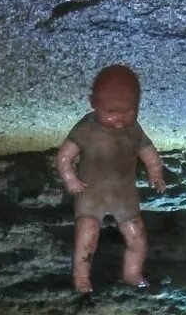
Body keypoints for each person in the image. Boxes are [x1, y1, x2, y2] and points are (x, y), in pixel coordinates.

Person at [56, 65, 167, 293]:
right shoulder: (86, 129)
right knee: (87, 237)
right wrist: (70, 179)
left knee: (137, 239)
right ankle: (81, 278)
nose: (119, 119)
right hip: (91, 194)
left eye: (128, 111)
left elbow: (148, 152)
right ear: (93, 102)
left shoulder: (134, 130)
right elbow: (65, 157)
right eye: (110, 111)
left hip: (124, 195)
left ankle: (132, 273)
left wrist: (155, 172)